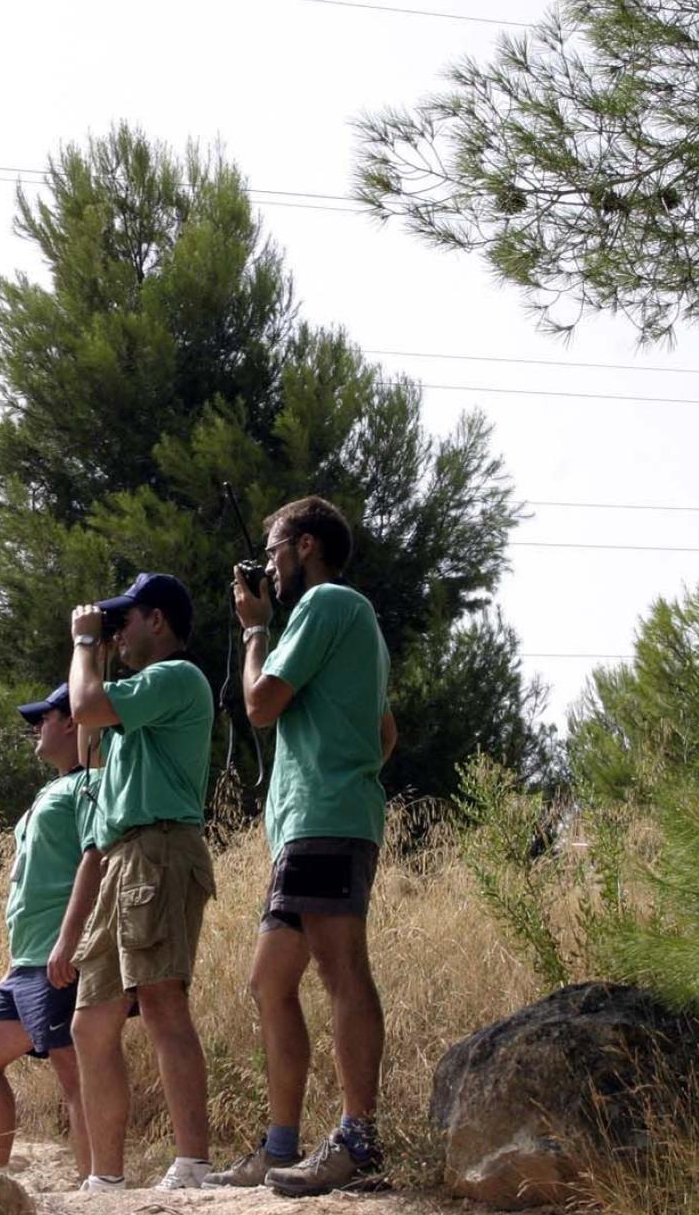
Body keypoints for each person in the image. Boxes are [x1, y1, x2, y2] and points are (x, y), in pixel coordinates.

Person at [207, 496, 397, 1196]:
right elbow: (385, 735)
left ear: (306, 546)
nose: (270, 568)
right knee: (270, 980)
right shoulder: (355, 624)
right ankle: (279, 1147)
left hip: (324, 818)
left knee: (342, 969)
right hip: (313, 821)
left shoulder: (326, 607)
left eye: (276, 550)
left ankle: (357, 1140)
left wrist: (255, 630)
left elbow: (259, 705)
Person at [46, 573, 217, 1192]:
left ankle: (193, 1163)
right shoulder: (130, 707)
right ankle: (106, 1177)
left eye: (127, 620)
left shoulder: (177, 677)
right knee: (91, 1022)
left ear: (160, 623)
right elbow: (91, 733)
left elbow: (85, 706)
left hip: (160, 851)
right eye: (109, 624)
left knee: (164, 1002)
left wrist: (84, 643)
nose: (117, 632)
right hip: (124, 857)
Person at [0, 683, 93, 1179]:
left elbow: (95, 860)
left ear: (73, 722)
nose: (36, 728)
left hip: (56, 957)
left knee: (74, 1071)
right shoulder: (52, 788)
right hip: (25, 963)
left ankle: (96, 1188)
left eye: (45, 717)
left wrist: (70, 940)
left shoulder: (90, 785)